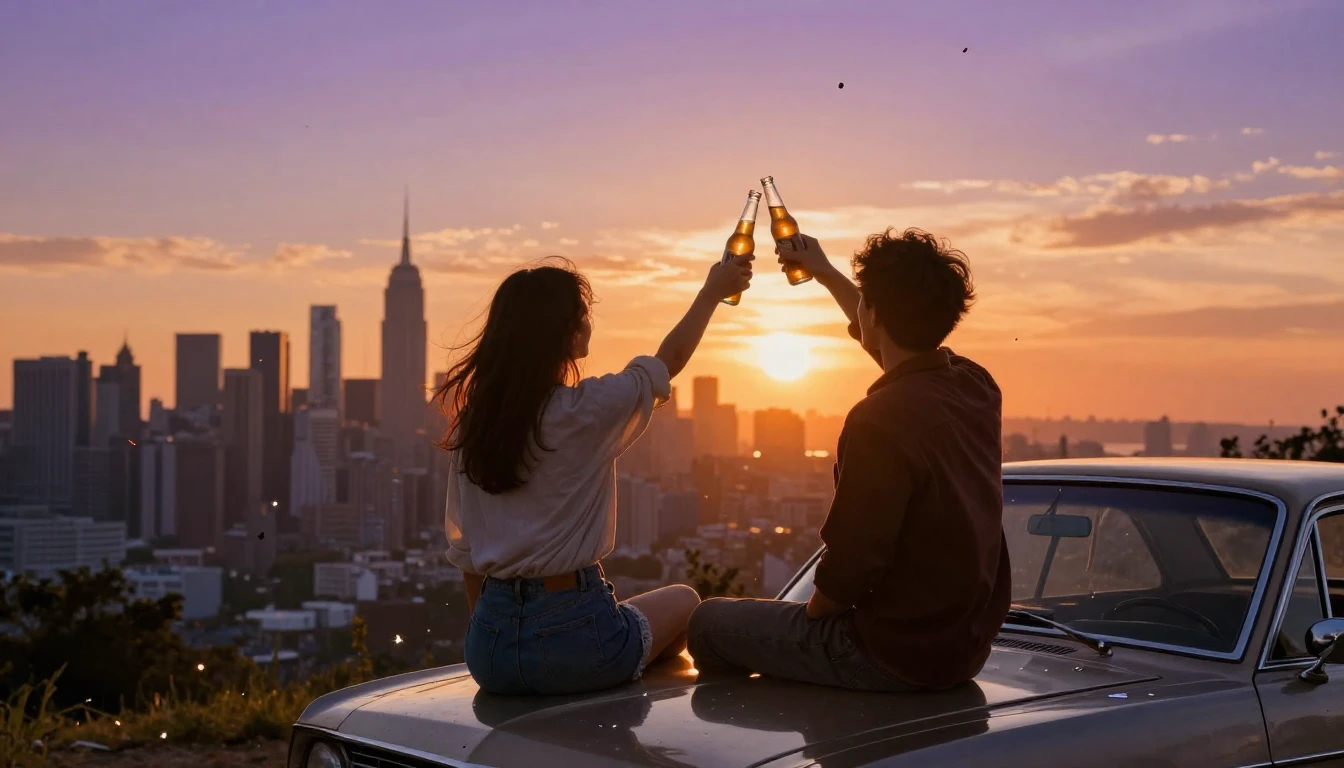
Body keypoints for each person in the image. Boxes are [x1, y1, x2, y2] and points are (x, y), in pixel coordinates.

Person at [686, 228, 1009, 692]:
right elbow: (898, 349)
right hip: (962, 653)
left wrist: (816, 614)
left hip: (886, 652)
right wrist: (825, 273)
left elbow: (853, 564)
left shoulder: (879, 420)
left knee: (709, 622)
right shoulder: (975, 386)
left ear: (873, 313)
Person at [437, 253, 753, 696]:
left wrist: (501, 646)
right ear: (566, 334)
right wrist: (711, 293)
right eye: (584, 315)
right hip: (574, 638)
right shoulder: (584, 411)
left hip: (488, 650)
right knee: (685, 601)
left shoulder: (476, 424)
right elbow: (667, 361)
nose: (589, 323)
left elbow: (466, 552)